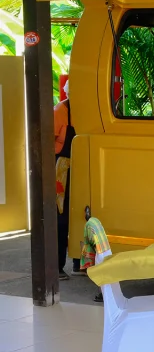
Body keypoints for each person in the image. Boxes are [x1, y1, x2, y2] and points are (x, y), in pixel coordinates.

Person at [53, 80, 80, 279]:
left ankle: (80, 264)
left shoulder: (86, 110)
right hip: (62, 170)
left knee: (82, 215)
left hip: (81, 168)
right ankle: (57, 266)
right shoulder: (59, 110)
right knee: (61, 218)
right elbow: (46, 140)